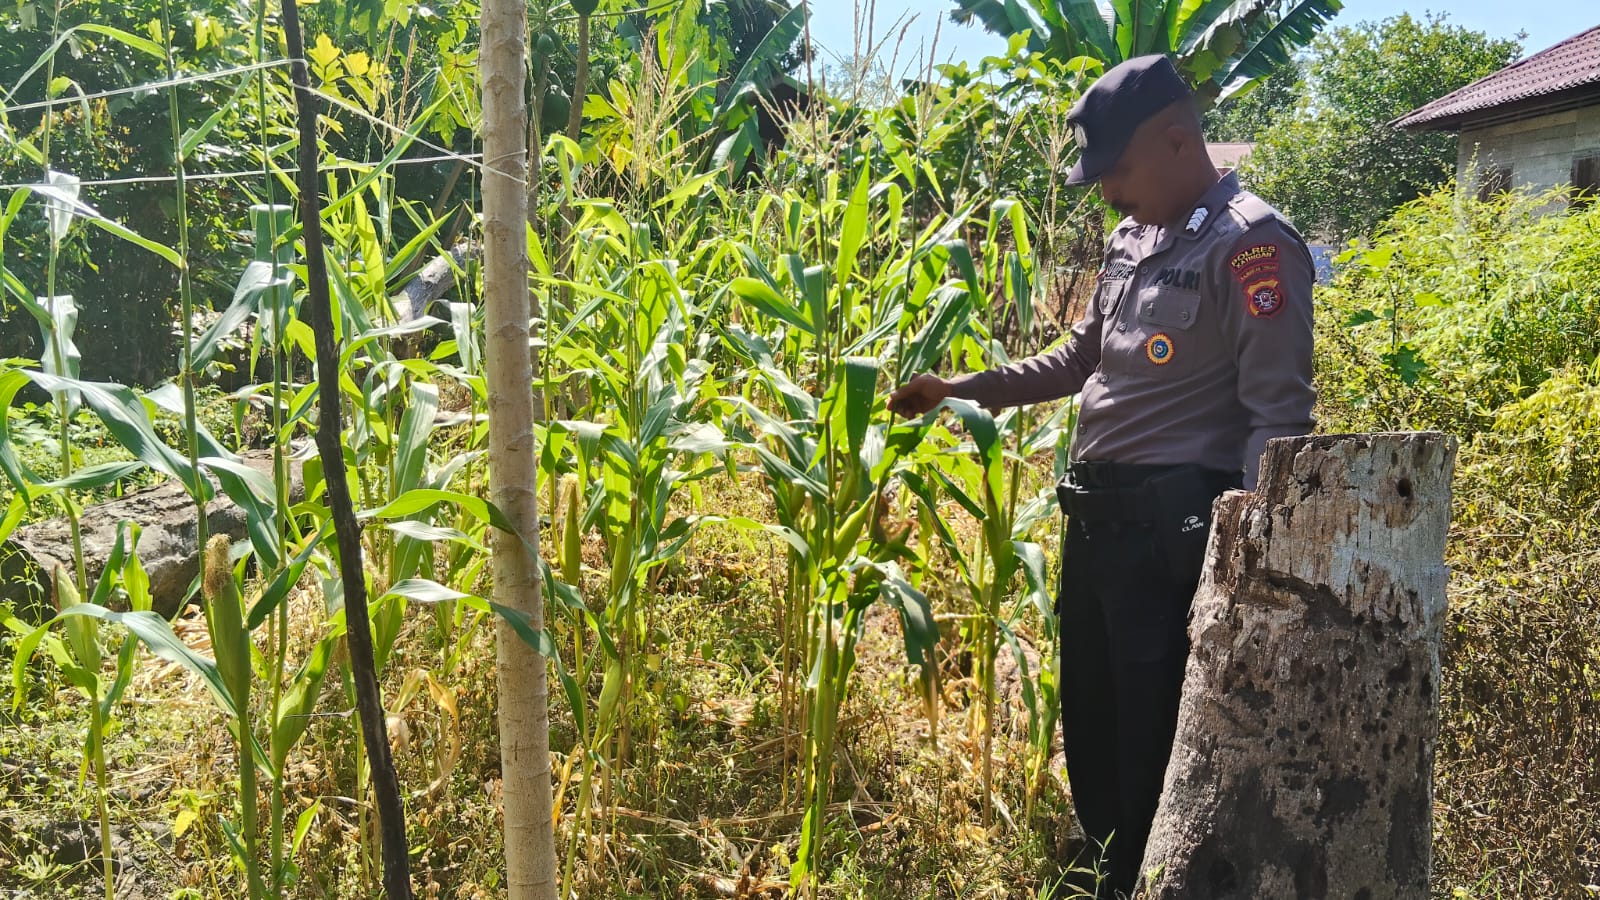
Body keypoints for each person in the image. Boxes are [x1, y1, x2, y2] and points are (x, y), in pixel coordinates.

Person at [888, 55, 1315, 898]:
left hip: (1176, 532)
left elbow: (1280, 422)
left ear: (1177, 140)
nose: (1107, 193)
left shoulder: (1252, 246)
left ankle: (1149, 881)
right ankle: (1103, 870)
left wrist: (1257, 566)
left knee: (1156, 724)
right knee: (1092, 710)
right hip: (1098, 522)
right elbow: (1081, 360)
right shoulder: (1134, 236)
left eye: (1116, 171)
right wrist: (959, 389)